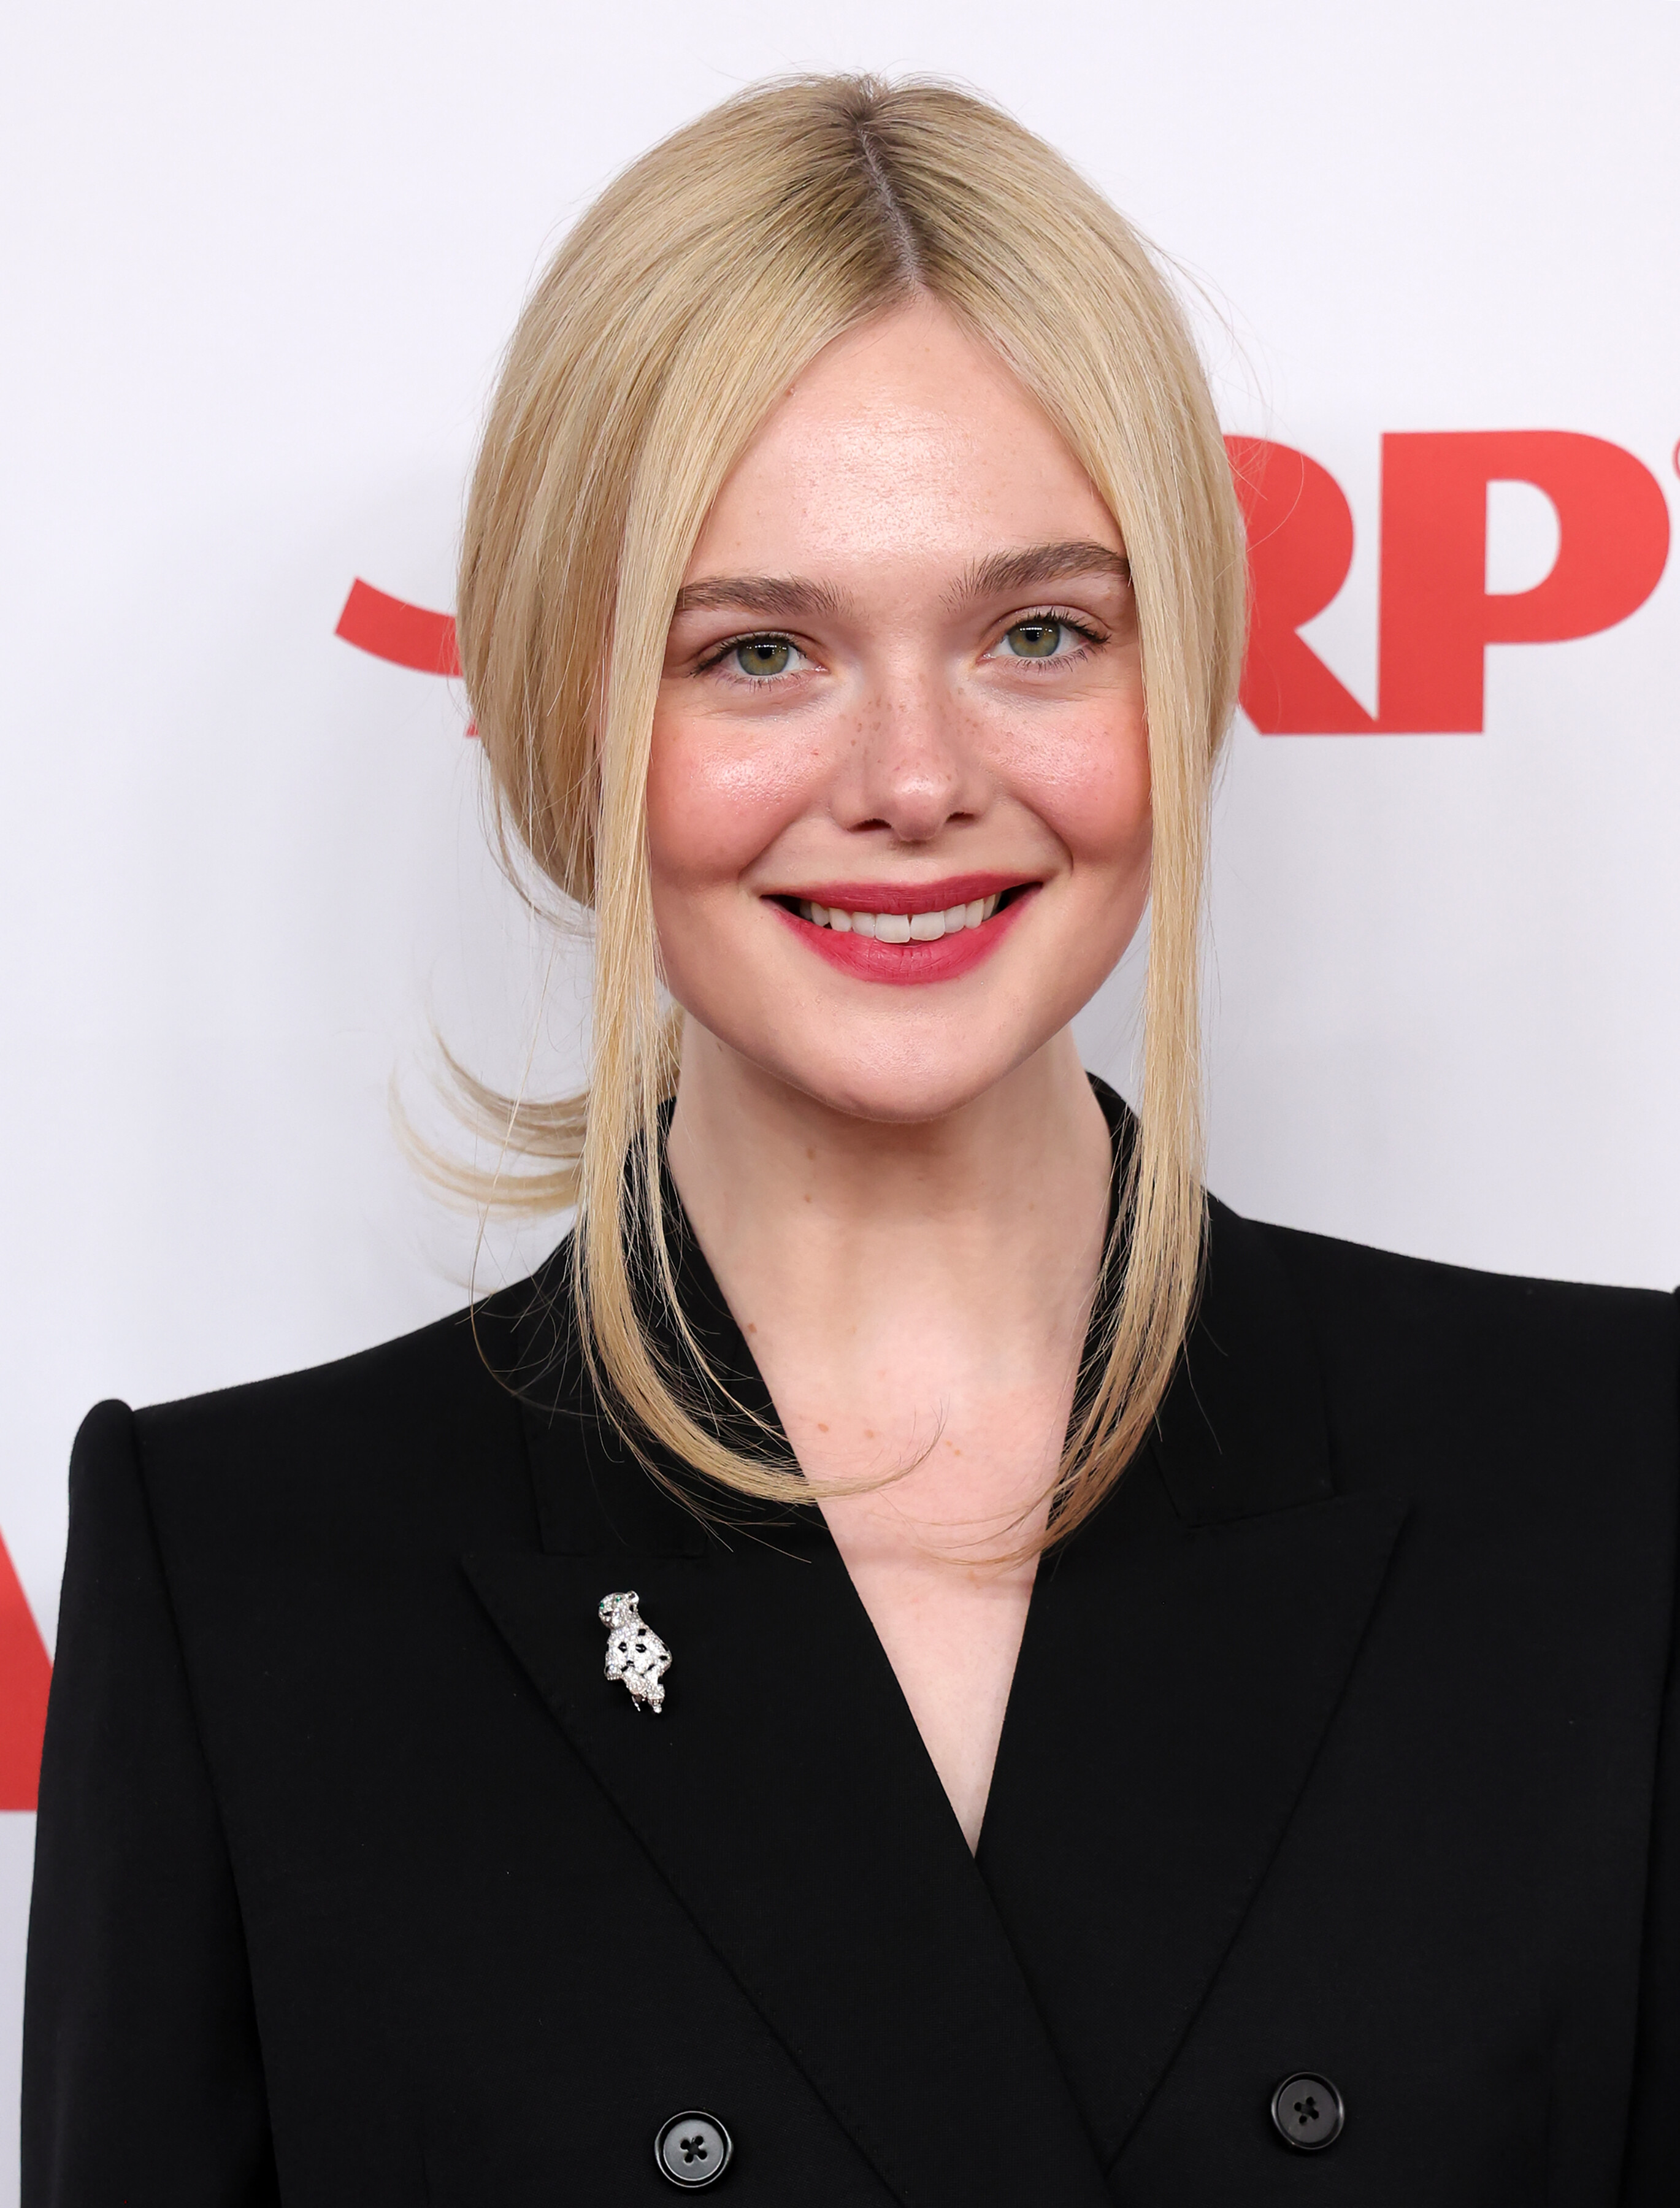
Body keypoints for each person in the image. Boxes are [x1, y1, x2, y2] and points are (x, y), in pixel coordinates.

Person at [21, 74, 1678, 2208]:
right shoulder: (248, 1574)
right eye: (759, 651)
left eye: (1037, 633)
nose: (911, 779)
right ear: (563, 714)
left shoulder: (1611, 1481)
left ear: (1180, 681)